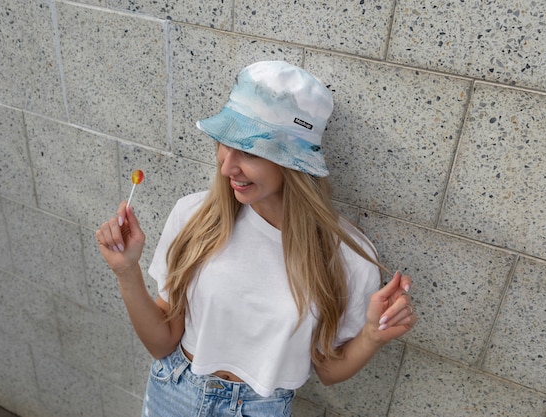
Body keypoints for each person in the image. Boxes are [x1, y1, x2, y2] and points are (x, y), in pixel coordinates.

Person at [95, 61, 417, 416]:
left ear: (292, 165)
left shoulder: (347, 258)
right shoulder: (194, 216)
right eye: (223, 144)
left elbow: (328, 370)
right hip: (174, 391)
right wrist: (127, 272)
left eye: (248, 152)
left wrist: (371, 334)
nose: (226, 167)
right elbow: (161, 343)